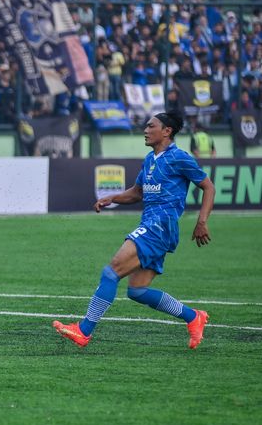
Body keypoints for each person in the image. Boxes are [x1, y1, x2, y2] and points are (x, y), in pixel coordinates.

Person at [53, 111, 215, 349]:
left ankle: (84, 331)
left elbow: (208, 187)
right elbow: (138, 192)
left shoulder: (180, 157)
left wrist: (202, 221)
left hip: (160, 225)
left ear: (167, 131)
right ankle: (193, 317)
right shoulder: (150, 159)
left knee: (111, 273)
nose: (145, 130)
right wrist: (112, 198)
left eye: (151, 126)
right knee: (137, 291)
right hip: (151, 225)